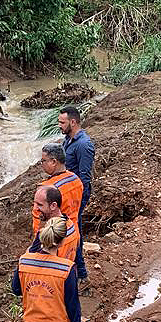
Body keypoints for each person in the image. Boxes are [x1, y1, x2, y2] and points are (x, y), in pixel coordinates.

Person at [58, 106, 95, 286]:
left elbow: (84, 178)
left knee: (75, 233)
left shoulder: (83, 145)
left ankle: (81, 274)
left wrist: (76, 201)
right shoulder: (69, 140)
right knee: (69, 231)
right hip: (67, 193)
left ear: (73, 122)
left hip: (77, 195)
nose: (59, 125)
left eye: (62, 122)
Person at [34, 143, 83, 235]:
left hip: (56, 238)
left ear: (53, 162)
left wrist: (38, 242)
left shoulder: (45, 190)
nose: (42, 164)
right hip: (73, 232)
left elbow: (38, 221)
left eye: (43, 161)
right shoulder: (76, 180)